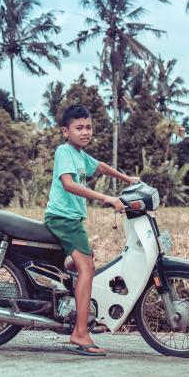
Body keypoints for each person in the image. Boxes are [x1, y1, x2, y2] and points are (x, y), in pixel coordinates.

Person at [44, 104, 139, 357]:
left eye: (88, 127)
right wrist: (106, 198)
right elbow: (68, 184)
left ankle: (69, 303)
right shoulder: (64, 151)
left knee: (80, 265)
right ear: (66, 131)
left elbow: (101, 167)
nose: (85, 132)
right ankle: (80, 332)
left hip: (71, 220)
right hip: (64, 219)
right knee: (88, 268)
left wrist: (128, 179)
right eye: (79, 128)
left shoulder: (79, 154)